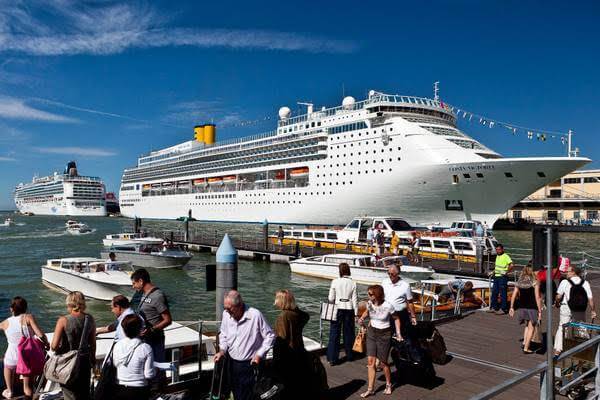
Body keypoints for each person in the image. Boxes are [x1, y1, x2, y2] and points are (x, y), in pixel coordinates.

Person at [214, 290, 275, 400]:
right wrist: (222, 350)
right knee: (235, 392)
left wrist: (259, 354)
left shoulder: (255, 315)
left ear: (240, 306)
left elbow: (270, 336)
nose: (226, 311)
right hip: (232, 363)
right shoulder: (226, 314)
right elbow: (223, 334)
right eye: (225, 308)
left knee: (250, 395)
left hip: (250, 365)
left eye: (229, 308)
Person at [0, 296, 49, 399]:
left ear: (11, 309)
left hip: (11, 357)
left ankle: (9, 391)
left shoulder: (4, 323)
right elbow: (40, 335)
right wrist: (46, 344)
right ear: (25, 308)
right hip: (26, 357)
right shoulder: (28, 317)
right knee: (27, 388)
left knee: (7, 366)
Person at [51, 291, 96, 400]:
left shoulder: (63, 320)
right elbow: (93, 343)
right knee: (85, 394)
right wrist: (93, 360)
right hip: (84, 361)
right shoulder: (89, 319)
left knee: (70, 395)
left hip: (68, 363)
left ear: (70, 304)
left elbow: (54, 346)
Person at [272, 290, 311, 400]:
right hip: (298, 350)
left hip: (286, 354)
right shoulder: (296, 314)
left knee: (285, 382)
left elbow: (282, 339)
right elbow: (306, 316)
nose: (275, 301)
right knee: (295, 381)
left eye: (276, 298)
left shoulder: (283, 316)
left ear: (281, 301)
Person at [357, 285, 395, 397]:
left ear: (377, 295)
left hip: (384, 334)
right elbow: (367, 312)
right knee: (370, 362)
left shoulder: (388, 305)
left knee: (383, 363)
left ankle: (388, 384)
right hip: (372, 332)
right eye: (368, 293)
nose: (368, 296)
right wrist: (362, 318)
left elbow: (396, 318)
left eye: (370, 294)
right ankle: (370, 389)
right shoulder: (369, 304)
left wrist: (398, 332)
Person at [131, 268, 172, 364]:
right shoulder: (144, 294)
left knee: (157, 370)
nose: (133, 287)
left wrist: (151, 330)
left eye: (134, 283)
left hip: (155, 341)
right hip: (146, 340)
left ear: (141, 281)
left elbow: (168, 320)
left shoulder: (157, 296)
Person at [554, 265, 596, 354]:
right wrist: (593, 310)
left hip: (566, 307)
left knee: (562, 326)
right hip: (579, 308)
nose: (566, 273)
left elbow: (558, 296)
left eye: (568, 271)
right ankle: (584, 347)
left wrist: (557, 303)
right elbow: (590, 299)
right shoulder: (585, 283)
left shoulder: (565, 282)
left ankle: (558, 349)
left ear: (573, 272)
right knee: (581, 327)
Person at [112, 314, 155, 400]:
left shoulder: (117, 345)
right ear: (140, 329)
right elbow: (149, 375)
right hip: (139, 390)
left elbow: (116, 364)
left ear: (124, 330)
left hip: (119, 389)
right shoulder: (146, 347)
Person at [327, 263, 358, 365]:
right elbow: (355, 300)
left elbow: (331, 298)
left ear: (340, 271)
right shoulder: (353, 283)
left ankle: (332, 359)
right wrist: (356, 314)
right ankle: (349, 355)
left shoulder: (335, 281)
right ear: (348, 271)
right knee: (349, 333)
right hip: (349, 309)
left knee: (334, 334)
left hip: (337, 308)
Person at [508, 266, 542, 354]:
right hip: (532, 307)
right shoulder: (535, 281)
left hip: (522, 307)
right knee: (532, 328)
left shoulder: (520, 281)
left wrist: (511, 307)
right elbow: (537, 297)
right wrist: (540, 311)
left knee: (527, 325)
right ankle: (526, 348)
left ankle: (524, 342)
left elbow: (514, 295)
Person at [382, 264, 417, 341]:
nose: (390, 276)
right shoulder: (384, 282)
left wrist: (413, 316)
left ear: (398, 274)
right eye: (388, 273)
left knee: (402, 336)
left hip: (400, 314)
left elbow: (410, 302)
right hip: (387, 314)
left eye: (392, 274)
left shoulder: (405, 285)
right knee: (387, 336)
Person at [489, 244, 513, 314]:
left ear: (502, 249)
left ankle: (503, 309)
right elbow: (497, 267)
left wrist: (506, 272)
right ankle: (494, 307)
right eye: (496, 250)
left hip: (502, 277)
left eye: (499, 249)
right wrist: (492, 272)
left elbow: (511, 265)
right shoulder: (497, 256)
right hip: (496, 276)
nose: (498, 251)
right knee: (494, 292)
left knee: (503, 293)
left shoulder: (506, 256)